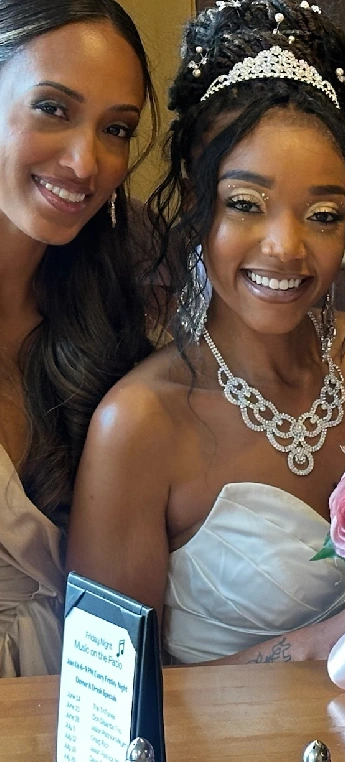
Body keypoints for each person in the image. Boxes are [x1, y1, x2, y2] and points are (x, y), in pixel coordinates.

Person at [67, 0, 345, 665]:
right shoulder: (141, 424)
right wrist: (326, 642)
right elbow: (110, 705)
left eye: (323, 214)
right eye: (245, 204)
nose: (286, 248)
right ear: (194, 203)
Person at [0, 0, 155, 677]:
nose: (85, 163)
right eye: (53, 109)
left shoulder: (112, 325)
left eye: (116, 128)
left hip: (68, 698)